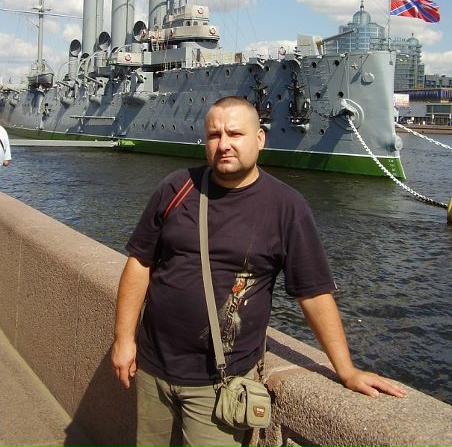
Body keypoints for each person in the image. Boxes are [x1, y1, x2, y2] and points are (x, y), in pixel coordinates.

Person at [111, 96, 406, 447]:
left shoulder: (286, 206)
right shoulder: (176, 188)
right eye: (215, 135)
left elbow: (313, 293)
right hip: (152, 368)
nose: (224, 144)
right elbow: (140, 263)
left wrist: (346, 369)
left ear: (260, 138)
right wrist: (124, 340)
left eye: (235, 134)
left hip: (218, 383)